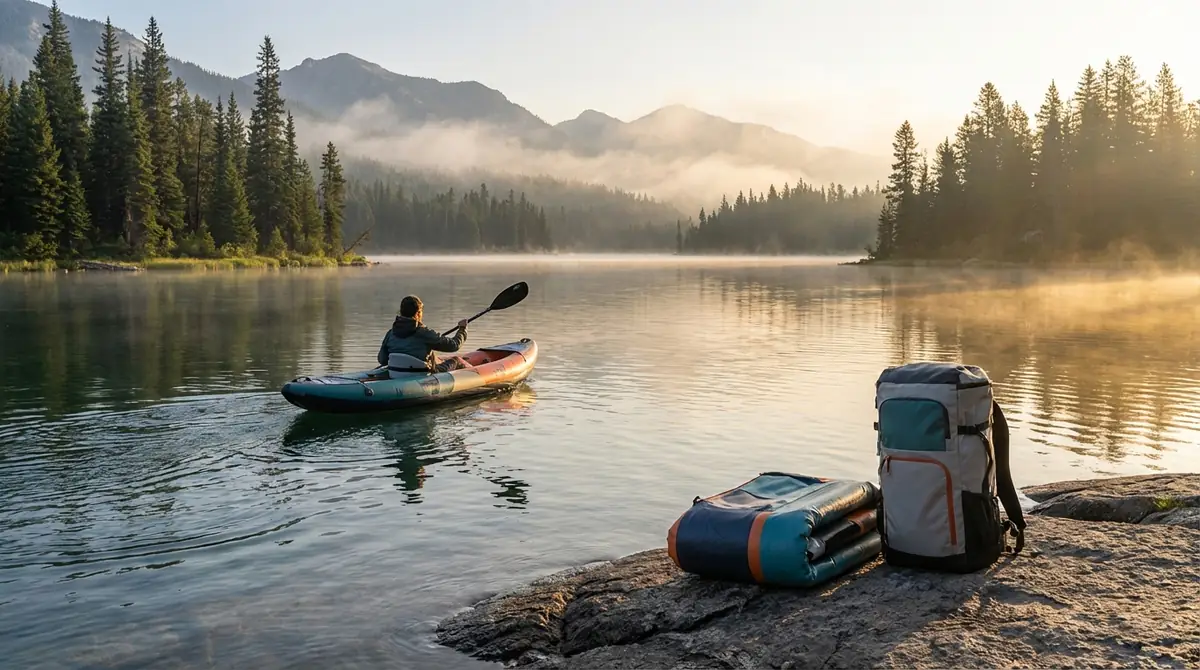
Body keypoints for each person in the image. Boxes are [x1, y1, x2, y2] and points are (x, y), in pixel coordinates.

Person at [377, 295, 470, 374]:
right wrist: (462, 329)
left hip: (396, 374)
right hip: (423, 374)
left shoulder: (390, 333)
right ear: (418, 313)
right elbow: (454, 345)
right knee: (457, 360)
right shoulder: (424, 333)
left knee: (436, 359)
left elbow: (382, 360)